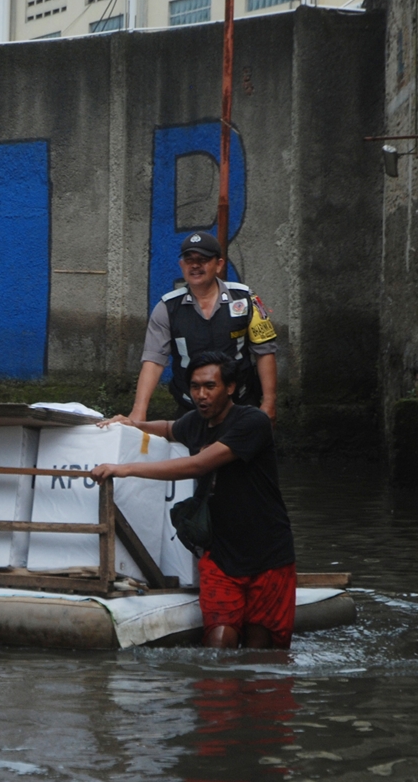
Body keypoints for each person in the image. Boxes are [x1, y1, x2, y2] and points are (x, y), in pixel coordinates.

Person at [95, 350, 297, 649]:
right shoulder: (196, 422)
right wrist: (135, 425)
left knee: (262, 648)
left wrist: (124, 469)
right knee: (218, 639)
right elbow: (168, 428)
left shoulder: (252, 421)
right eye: (194, 387)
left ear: (230, 388)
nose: (201, 395)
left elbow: (200, 464)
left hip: (267, 552)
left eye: (210, 386)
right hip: (220, 553)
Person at [129, 230, 279, 423]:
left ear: (219, 265)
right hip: (191, 411)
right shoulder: (167, 308)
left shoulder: (248, 299)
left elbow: (265, 351)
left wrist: (269, 401)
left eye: (203, 259)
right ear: (181, 265)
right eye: (189, 259)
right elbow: (153, 361)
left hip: (241, 406)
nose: (195, 265)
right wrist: (139, 411)